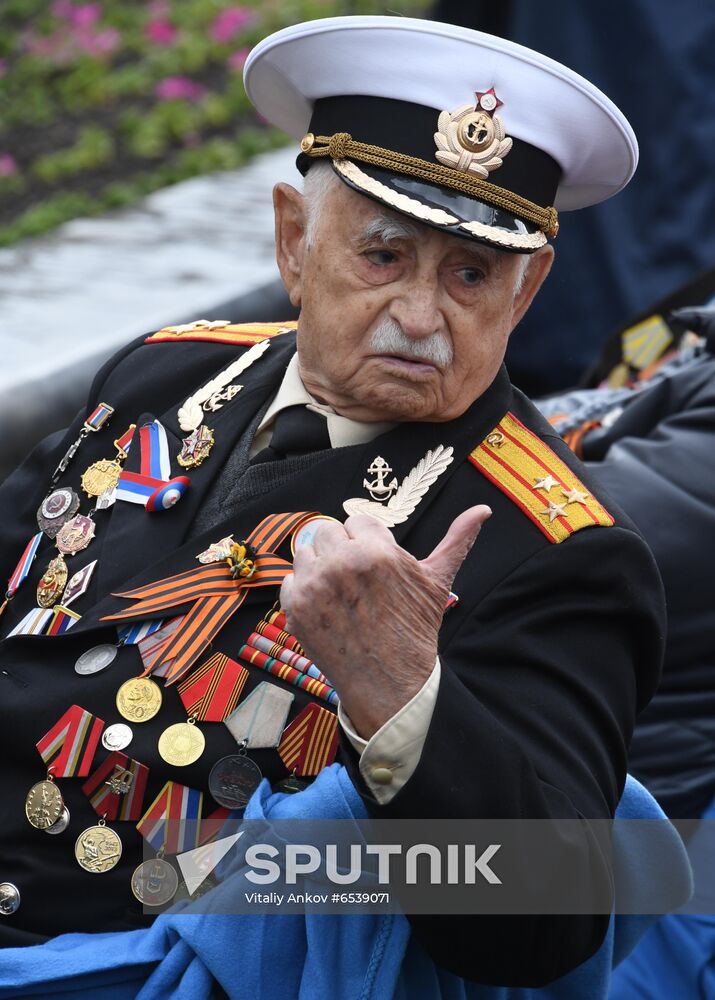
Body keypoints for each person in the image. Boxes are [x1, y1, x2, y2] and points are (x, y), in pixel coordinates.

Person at [0, 14, 667, 992]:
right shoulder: (168, 373)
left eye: (471, 275)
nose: (419, 315)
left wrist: (401, 696)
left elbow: (546, 925)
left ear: (525, 298)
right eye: (384, 256)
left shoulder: (551, 545)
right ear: (292, 241)